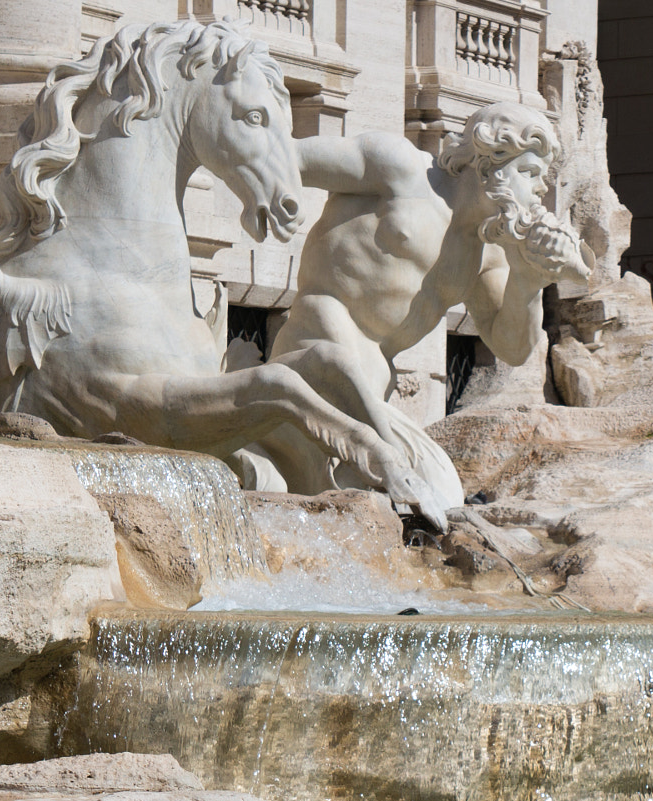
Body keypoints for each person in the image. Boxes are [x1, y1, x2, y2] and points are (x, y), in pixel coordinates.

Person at [248, 103, 590, 518]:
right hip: (318, 344)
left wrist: (528, 278)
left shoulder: (488, 254)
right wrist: (263, 203)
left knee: (433, 493)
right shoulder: (402, 169)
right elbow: (284, 158)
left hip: (375, 384)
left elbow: (513, 348)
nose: (539, 192)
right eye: (530, 174)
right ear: (488, 163)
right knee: (426, 490)